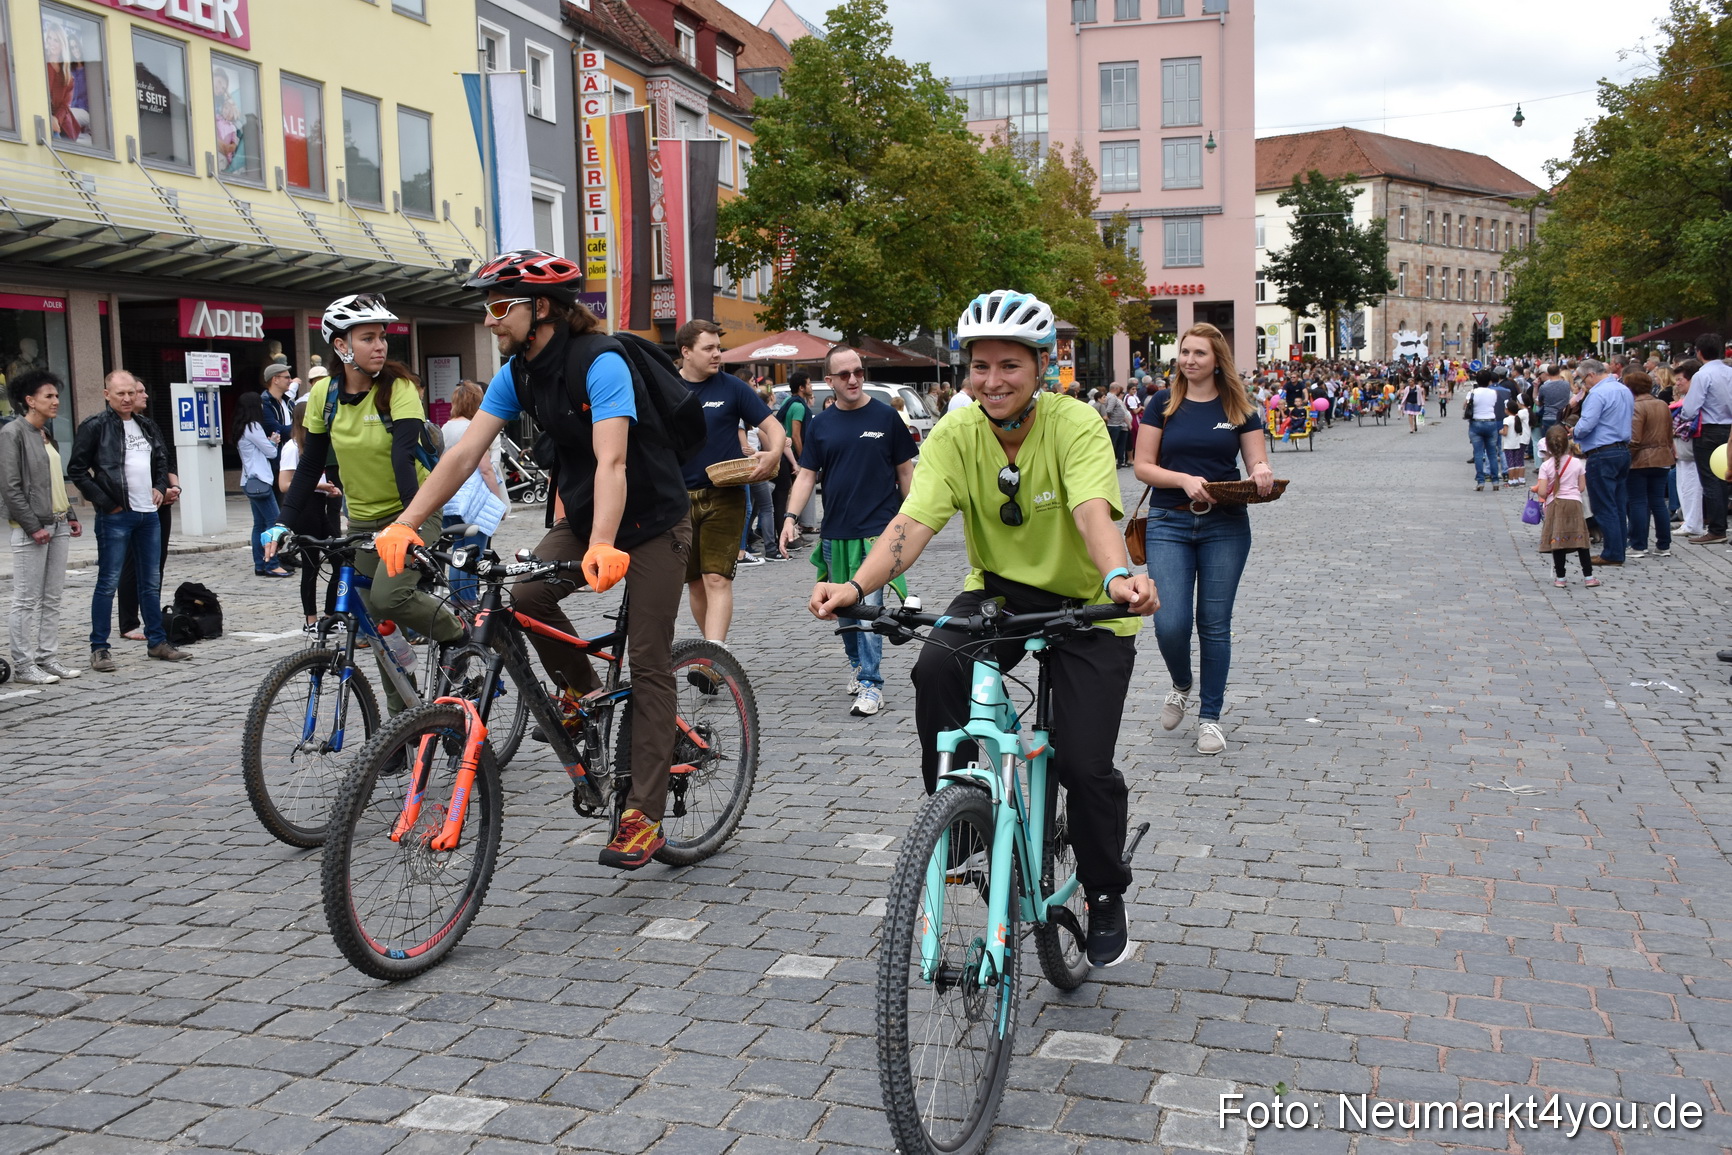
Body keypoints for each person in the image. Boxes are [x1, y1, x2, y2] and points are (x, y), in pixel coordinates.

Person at [805, 289, 1158, 968]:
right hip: (998, 592)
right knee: (935, 664)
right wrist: (854, 587)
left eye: (1009, 365)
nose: (992, 380)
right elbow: (912, 523)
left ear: (1041, 366)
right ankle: (960, 810)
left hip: (1088, 603)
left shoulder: (1076, 424)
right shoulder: (956, 433)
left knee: (1084, 764)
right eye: (979, 365)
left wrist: (1119, 580)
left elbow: (1091, 515)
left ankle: (1105, 890)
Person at [376, 249, 691, 871]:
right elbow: (464, 454)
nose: (490, 320)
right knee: (523, 595)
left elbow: (613, 462)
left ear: (540, 308)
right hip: (583, 520)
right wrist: (406, 521)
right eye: (486, 308)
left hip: (652, 523)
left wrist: (605, 540)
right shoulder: (516, 372)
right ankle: (585, 691)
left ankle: (643, 815)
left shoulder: (601, 361)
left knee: (651, 659)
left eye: (499, 307)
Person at [265, 294, 465, 714]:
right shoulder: (324, 398)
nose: (380, 346)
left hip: (413, 509)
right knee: (377, 622)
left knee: (390, 597)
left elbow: (403, 458)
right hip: (361, 520)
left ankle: (456, 632)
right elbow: (309, 466)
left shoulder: (400, 388)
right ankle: (402, 719)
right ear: (342, 346)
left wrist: (409, 525)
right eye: (368, 338)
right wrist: (282, 523)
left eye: (382, 337)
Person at [1131, 322, 1274, 757]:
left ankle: (1210, 717)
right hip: (1169, 522)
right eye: (1185, 352)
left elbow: (1256, 459)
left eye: (1199, 354)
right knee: (1169, 620)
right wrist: (1183, 479)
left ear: (1217, 361)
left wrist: (1262, 473)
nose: (1189, 360)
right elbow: (1142, 466)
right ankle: (1181, 683)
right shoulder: (1163, 403)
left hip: (1225, 524)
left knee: (1214, 624)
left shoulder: (1238, 407)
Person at [778, 344, 917, 717]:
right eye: (844, 375)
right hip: (835, 534)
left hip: (877, 533)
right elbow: (807, 475)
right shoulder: (821, 424)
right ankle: (858, 667)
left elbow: (906, 471)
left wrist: (915, 520)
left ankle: (872, 684)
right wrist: (790, 517)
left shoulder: (887, 418)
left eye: (858, 371)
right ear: (829, 382)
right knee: (845, 613)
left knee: (870, 613)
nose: (854, 379)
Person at [66, 370, 188, 668]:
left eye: (131, 393)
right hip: (116, 516)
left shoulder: (145, 425)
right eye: (120, 393)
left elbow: (161, 460)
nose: (126, 398)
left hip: (148, 515)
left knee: (150, 581)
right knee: (108, 582)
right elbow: (78, 470)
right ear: (107, 394)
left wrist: (160, 487)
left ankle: (157, 641)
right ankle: (100, 647)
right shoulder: (95, 426)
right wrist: (107, 503)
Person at [675, 319, 784, 641]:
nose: (717, 354)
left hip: (725, 496)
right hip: (678, 501)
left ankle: (713, 657)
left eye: (718, 348)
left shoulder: (733, 387)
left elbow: (773, 428)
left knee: (717, 579)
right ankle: (712, 649)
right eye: (708, 348)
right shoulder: (666, 387)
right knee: (695, 583)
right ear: (686, 352)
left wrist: (774, 453)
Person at [0, 368, 83, 684]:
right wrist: (33, 526)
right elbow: (10, 486)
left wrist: (71, 516)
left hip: (59, 524)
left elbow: (56, 483)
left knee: (52, 597)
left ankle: (48, 657)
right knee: (25, 598)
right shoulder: (13, 433)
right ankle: (23, 665)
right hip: (31, 529)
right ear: (29, 401)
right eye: (49, 396)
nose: (55, 401)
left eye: (57, 395)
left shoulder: (46, 435)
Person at [116, 382, 178, 644]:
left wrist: (172, 487)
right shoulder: (111, 427)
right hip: (131, 505)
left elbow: (165, 459)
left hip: (158, 502)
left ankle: (151, 618)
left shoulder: (149, 426)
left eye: (140, 391)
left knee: (156, 564)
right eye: (138, 391)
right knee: (131, 564)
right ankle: (128, 622)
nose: (143, 395)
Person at [277, 394, 343, 633]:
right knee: (311, 565)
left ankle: (329, 614)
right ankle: (311, 620)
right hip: (304, 511)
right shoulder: (292, 448)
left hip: (318, 507)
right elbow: (285, 485)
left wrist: (327, 491)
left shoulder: (313, 449)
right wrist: (320, 486)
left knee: (340, 560)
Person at [439, 380, 509, 603]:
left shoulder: (446, 427)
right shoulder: (473, 428)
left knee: (457, 553)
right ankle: (469, 599)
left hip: (451, 497)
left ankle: (458, 599)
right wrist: (499, 501)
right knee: (472, 553)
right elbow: (486, 468)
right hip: (473, 499)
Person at [1566, 358, 1633, 566]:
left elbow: (1586, 425)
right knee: (1619, 504)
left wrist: (1574, 432)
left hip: (1602, 452)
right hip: (1622, 450)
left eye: (1583, 379)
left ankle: (1612, 553)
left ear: (1591, 375)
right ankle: (1618, 548)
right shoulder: (1623, 390)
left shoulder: (1597, 393)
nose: (1582, 384)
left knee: (1604, 504)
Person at [1680, 333, 1732, 544]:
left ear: (1699, 352)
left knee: (1710, 479)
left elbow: (1690, 408)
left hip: (1709, 430)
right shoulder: (1729, 371)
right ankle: (1720, 525)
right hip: (1729, 429)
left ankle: (1717, 528)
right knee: (1725, 477)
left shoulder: (1702, 375)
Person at [237, 391, 291, 579]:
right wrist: (274, 442)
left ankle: (260, 564)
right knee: (274, 523)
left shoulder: (242, 426)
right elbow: (270, 452)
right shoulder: (253, 426)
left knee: (259, 524)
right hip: (260, 479)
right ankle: (272, 564)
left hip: (249, 479)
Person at [1533, 424, 1595, 587]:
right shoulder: (1577, 463)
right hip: (1574, 503)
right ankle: (1588, 577)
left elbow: (1543, 492)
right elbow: (1581, 487)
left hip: (1555, 504)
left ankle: (1560, 578)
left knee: (1558, 540)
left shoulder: (1546, 466)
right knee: (1581, 540)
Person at [1624, 370, 1674, 559]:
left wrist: (1627, 457)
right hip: (1662, 457)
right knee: (1658, 502)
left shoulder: (1636, 407)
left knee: (1638, 502)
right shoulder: (1662, 404)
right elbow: (1669, 431)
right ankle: (1663, 544)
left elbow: (1635, 439)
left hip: (1641, 460)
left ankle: (1638, 545)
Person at [771, 372, 812, 543]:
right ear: (801, 388)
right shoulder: (799, 407)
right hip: (793, 454)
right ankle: (790, 535)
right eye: (808, 384)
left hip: (786, 453)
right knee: (791, 497)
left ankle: (792, 533)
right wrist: (803, 459)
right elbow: (796, 435)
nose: (810, 387)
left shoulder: (788, 401)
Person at [1672, 360, 1706, 539]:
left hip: (1689, 444)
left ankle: (1693, 522)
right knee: (1684, 481)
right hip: (1683, 445)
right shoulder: (1685, 398)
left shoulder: (1693, 398)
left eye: (1680, 380)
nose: (1677, 384)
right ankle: (1689, 520)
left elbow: (1688, 416)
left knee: (1691, 482)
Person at [1465, 370, 1504, 491]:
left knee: (1478, 453)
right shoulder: (1493, 393)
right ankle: (1495, 481)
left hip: (1476, 422)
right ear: (1489, 381)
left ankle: (1480, 481)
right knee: (1492, 453)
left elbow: (1465, 406)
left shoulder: (1472, 392)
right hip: (1490, 422)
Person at [1501, 398, 1527, 486]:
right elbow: (1520, 431)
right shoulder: (1517, 419)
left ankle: (1510, 480)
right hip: (1516, 444)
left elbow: (1505, 432)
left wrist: (1500, 431)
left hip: (1508, 444)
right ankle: (1516, 479)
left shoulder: (1506, 420)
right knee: (1516, 463)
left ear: (1507, 410)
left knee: (1510, 463)